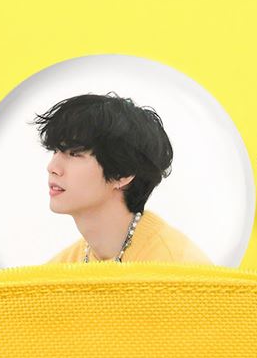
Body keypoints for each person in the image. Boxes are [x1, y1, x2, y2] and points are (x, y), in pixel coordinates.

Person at [37, 92, 211, 264]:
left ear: (122, 174)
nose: (52, 167)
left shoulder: (177, 266)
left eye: (74, 154)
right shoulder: (58, 269)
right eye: (55, 151)